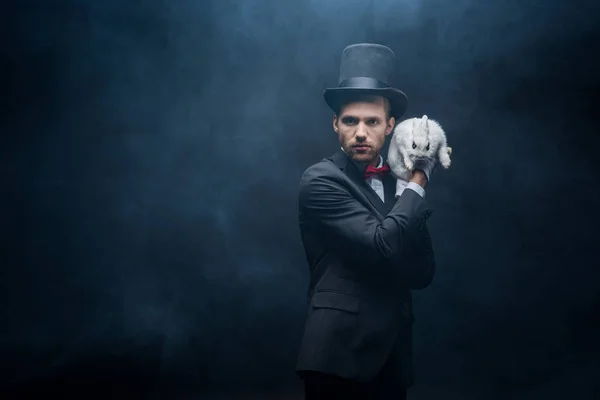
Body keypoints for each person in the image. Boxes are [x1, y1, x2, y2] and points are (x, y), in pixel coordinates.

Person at [295, 43, 439, 399]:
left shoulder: (397, 185)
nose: (361, 132)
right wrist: (419, 181)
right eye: (350, 121)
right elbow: (383, 244)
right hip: (337, 357)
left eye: (372, 121)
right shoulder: (320, 180)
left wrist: (406, 183)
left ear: (390, 126)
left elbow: (422, 274)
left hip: (392, 361)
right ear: (335, 124)